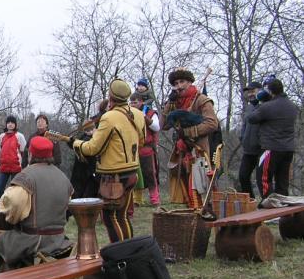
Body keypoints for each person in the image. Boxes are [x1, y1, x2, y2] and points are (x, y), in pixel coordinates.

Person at [70, 79, 146, 243]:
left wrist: (74, 143)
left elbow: (92, 148)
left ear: (111, 96)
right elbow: (142, 139)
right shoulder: (138, 114)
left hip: (114, 176)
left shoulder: (109, 118)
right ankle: (130, 252)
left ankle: (120, 257)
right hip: (133, 172)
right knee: (123, 216)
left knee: (110, 217)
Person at [0, 137, 73, 269]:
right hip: (59, 239)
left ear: (31, 154)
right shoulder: (62, 176)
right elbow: (67, 206)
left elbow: (13, 203)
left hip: (33, 240)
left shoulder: (26, 176)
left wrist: (12, 219)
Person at [161, 68, 220, 209]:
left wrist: (190, 131)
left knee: (200, 185)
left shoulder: (202, 100)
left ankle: (206, 211)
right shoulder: (174, 103)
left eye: (182, 81)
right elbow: (163, 125)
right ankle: (192, 212)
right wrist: (169, 103)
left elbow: (212, 124)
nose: (179, 86)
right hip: (182, 150)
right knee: (185, 185)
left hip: (200, 148)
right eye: (176, 83)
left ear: (189, 82)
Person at [248, 79, 299, 198]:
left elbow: (251, 119)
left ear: (269, 91)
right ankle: (283, 208)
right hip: (288, 149)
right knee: (282, 181)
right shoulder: (292, 106)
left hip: (270, 148)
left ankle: (269, 203)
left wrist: (259, 101)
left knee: (263, 177)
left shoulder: (267, 107)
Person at [130, 92, 161, 206]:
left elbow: (156, 127)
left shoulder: (151, 113)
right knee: (135, 175)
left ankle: (154, 199)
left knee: (150, 174)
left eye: (135, 102)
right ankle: (137, 200)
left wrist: (144, 118)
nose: (133, 105)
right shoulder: (128, 113)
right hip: (133, 149)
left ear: (141, 102)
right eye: (131, 102)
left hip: (147, 148)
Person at [238, 81, 263, 198]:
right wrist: (242, 138)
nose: (250, 94)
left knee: (261, 179)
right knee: (243, 176)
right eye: (248, 92)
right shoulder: (249, 107)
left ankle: (267, 206)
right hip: (248, 149)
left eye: (252, 91)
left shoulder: (265, 105)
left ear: (260, 90)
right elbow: (244, 125)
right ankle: (250, 202)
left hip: (262, 149)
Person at [0, 115, 28, 199]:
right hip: (3, 168)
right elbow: (1, 151)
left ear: (15, 124)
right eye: (8, 122)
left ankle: (14, 211)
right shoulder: (1, 136)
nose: (10, 124)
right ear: (6, 124)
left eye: (12, 122)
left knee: (14, 191)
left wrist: (24, 166)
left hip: (16, 168)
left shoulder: (19, 136)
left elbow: (24, 152)